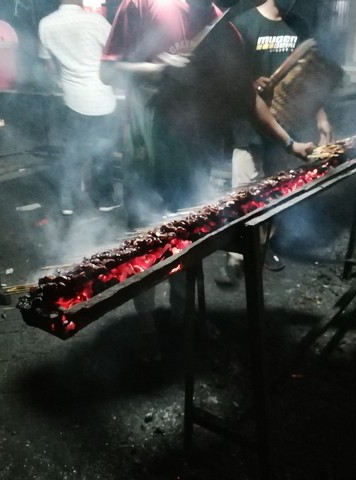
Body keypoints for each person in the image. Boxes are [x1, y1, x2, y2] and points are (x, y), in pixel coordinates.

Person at [100, 0, 315, 364]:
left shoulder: (221, 24)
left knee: (189, 242)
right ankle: (147, 326)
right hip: (146, 152)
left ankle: (185, 316)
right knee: (143, 243)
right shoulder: (141, 3)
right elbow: (108, 73)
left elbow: (246, 96)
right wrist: (157, 69)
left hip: (194, 155)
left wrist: (290, 142)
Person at [215, 0, 335, 286]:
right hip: (248, 126)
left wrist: (321, 117)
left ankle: (262, 246)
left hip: (286, 126)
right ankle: (236, 256)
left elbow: (309, 78)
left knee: (275, 191)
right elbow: (230, 80)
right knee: (243, 194)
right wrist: (251, 82)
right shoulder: (242, 25)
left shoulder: (299, 26)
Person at [38, 0, 120, 215]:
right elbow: (115, 55)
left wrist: (59, 81)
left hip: (72, 99)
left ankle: (68, 202)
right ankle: (104, 199)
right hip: (102, 97)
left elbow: (49, 65)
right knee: (103, 153)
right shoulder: (96, 21)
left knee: (73, 153)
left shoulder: (46, 24)